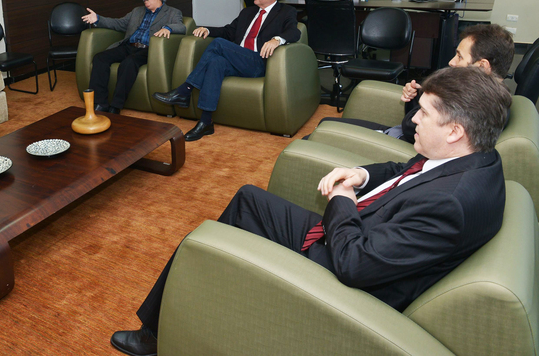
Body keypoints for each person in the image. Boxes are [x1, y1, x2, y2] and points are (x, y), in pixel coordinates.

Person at [111, 66, 510, 356]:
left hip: (342, 272)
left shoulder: (450, 203)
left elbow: (354, 264)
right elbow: (403, 170)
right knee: (249, 198)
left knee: (203, 239)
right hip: (362, 233)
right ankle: (167, 321)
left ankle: (156, 337)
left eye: (424, 113)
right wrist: (359, 175)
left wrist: (342, 199)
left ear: (455, 130)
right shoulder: (473, 159)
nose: (413, 120)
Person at [153, 0, 299, 141]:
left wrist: (277, 40)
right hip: (238, 59)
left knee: (219, 44)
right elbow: (228, 31)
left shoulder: (286, 12)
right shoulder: (248, 12)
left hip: (258, 63)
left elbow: (294, 32)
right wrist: (207, 30)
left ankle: (185, 89)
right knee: (216, 62)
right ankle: (206, 122)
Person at [317, 23, 514, 143]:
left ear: (482, 65)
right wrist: (416, 98)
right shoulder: (482, 93)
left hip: (399, 144)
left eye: (459, 56)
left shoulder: (476, 103)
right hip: (400, 134)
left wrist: (423, 102)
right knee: (325, 123)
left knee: (319, 135)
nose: (451, 62)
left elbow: (411, 128)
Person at [82, 0, 185, 114]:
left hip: (148, 50)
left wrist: (168, 28)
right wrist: (98, 19)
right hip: (128, 46)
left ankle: (116, 106)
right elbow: (119, 23)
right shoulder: (137, 11)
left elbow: (181, 27)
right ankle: (100, 103)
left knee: (129, 63)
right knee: (100, 58)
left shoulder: (172, 12)